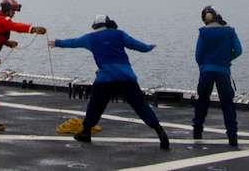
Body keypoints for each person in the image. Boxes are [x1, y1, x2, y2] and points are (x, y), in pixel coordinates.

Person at [48, 14, 169, 149]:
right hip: (126, 76)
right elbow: (137, 45)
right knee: (140, 105)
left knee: (95, 105)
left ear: (95, 25)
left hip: (106, 78)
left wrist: (57, 43)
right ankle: (160, 132)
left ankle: (86, 132)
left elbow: (73, 42)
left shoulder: (90, 38)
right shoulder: (119, 34)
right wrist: (149, 47)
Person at [0, 0, 47, 131]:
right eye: (13, 11)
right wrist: (33, 29)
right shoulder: (2, 20)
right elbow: (15, 27)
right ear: (7, 9)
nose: (13, 14)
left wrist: (6, 43)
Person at [192, 5, 242, 147]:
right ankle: (232, 135)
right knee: (227, 103)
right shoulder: (229, 31)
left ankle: (197, 131)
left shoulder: (203, 33)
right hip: (223, 71)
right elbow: (238, 50)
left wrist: (203, 66)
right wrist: (226, 60)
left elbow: (198, 55)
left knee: (202, 100)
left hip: (206, 70)